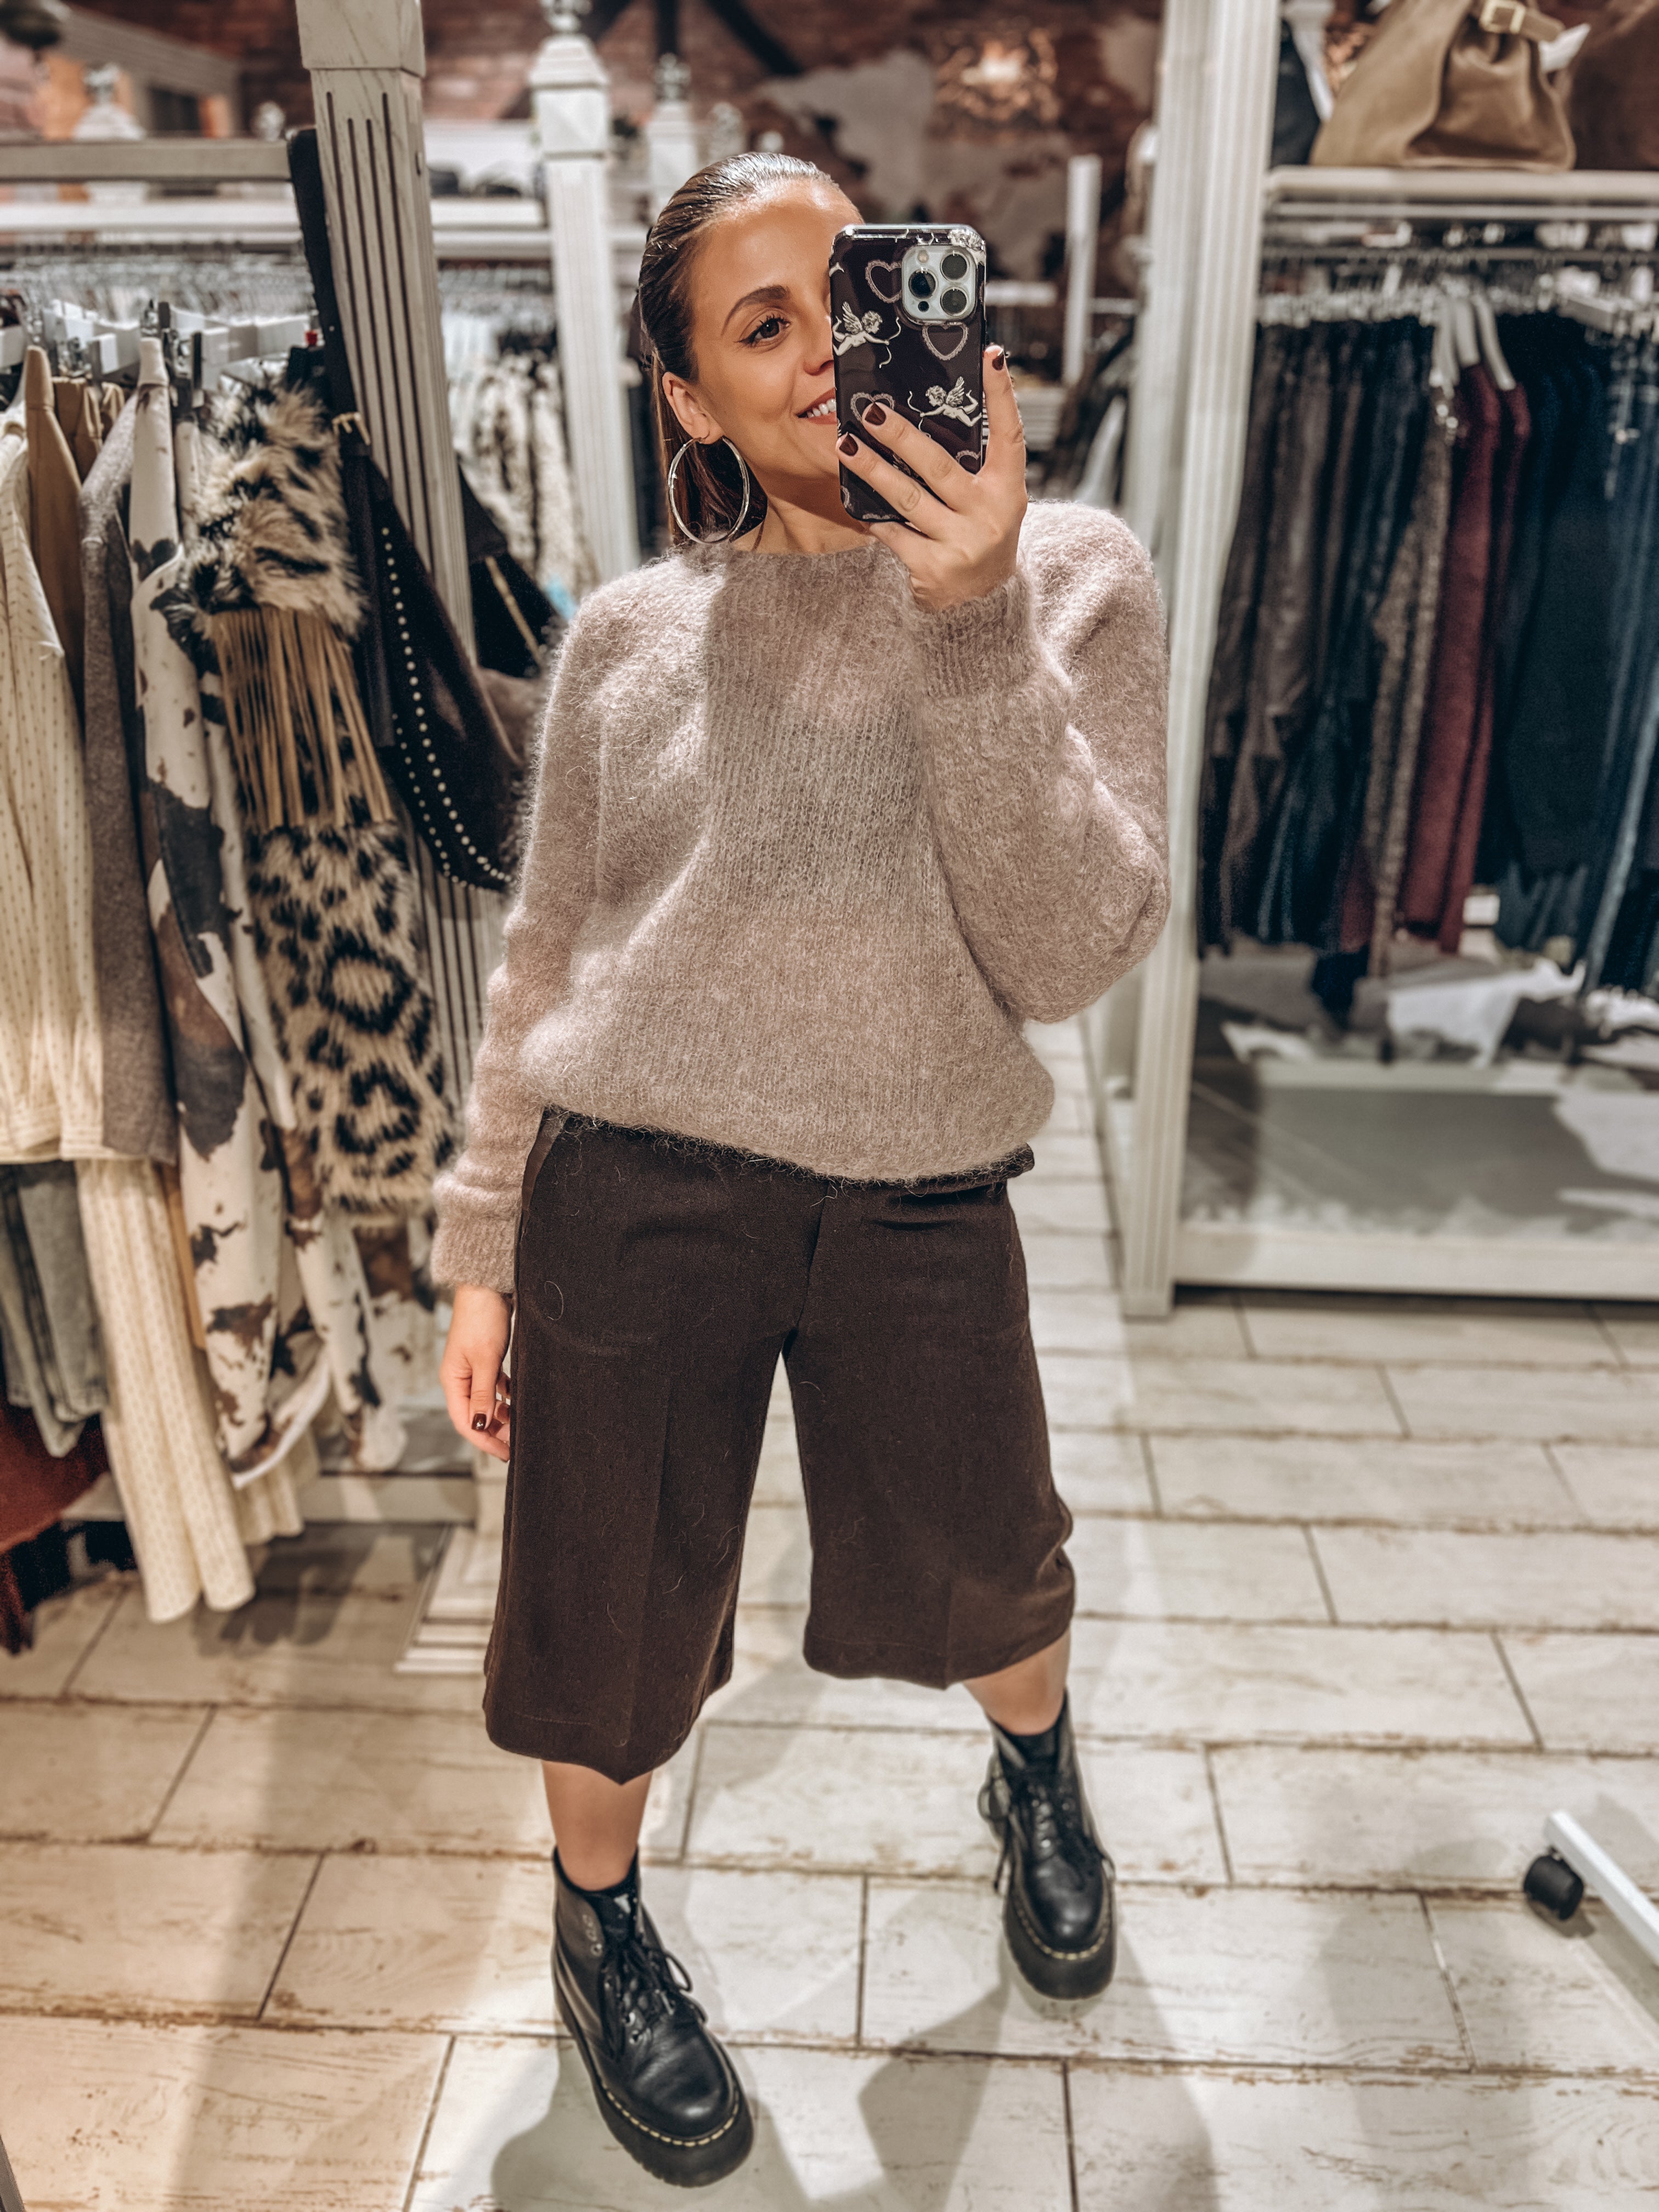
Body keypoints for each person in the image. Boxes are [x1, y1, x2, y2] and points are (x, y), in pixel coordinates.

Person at [433, 151, 1169, 2188]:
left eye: (850, 292)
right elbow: (546, 956)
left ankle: (1036, 1773)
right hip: (631, 1192)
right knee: (605, 1613)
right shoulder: (631, 638)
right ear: (689, 396)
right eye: (764, 325)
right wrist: (482, 1237)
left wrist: (970, 613)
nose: (828, 350)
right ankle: (600, 1935)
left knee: (992, 1564)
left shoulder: (1069, 577)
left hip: (921, 1181)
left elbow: (1073, 947)